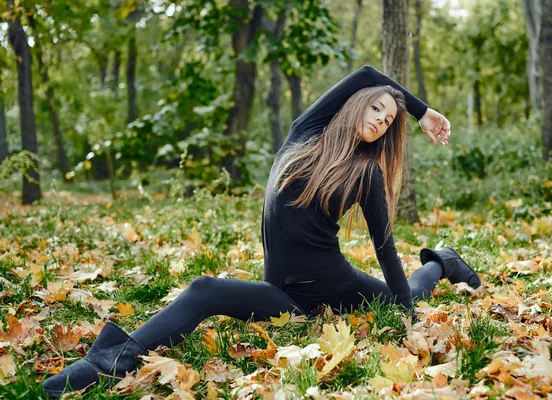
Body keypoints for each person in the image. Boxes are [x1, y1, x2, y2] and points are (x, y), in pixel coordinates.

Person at [42, 65, 480, 398]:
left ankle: (442, 262)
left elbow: (384, 249)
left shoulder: (367, 174)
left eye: (388, 121)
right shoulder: (304, 135)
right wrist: (418, 110)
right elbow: (366, 74)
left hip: (331, 284)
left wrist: (409, 320)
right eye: (376, 109)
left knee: (407, 294)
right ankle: (110, 360)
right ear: (357, 105)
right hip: (283, 294)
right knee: (204, 289)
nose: (381, 121)